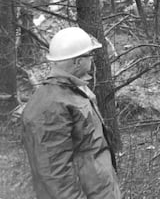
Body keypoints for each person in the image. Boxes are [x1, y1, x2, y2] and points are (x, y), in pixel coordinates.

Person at [21, 27, 121, 199]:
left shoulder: (72, 91)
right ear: (77, 62)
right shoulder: (50, 105)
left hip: (100, 190)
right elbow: (54, 175)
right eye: (89, 56)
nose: (92, 60)